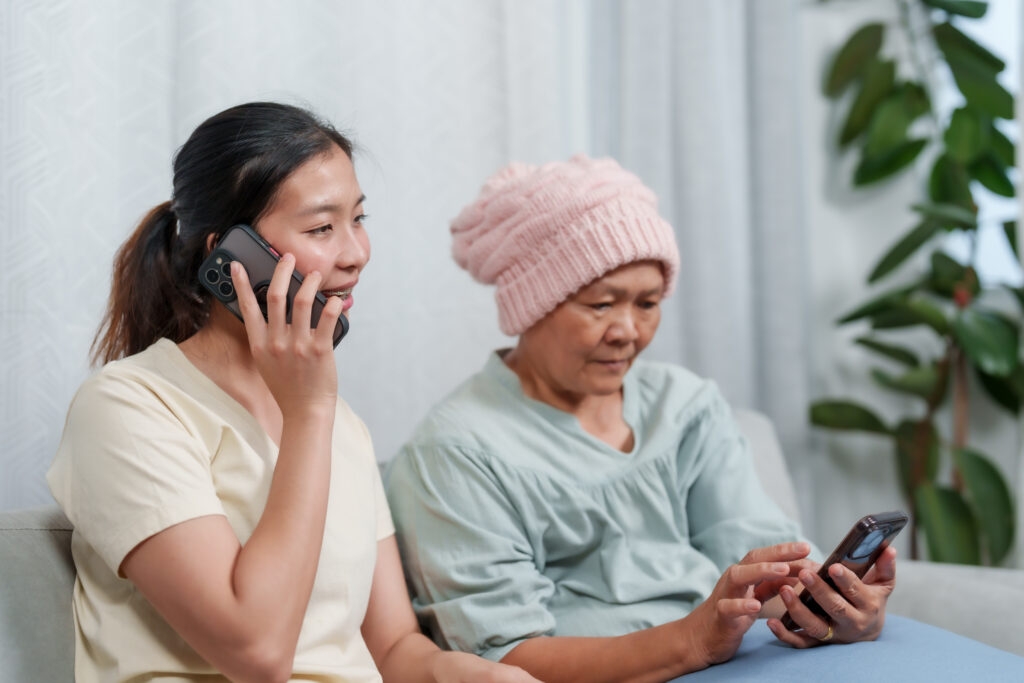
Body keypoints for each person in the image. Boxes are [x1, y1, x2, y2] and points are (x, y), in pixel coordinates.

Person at [46, 102, 538, 683]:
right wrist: (307, 415)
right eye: (322, 228)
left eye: (358, 219)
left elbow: (392, 647)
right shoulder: (128, 407)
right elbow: (255, 653)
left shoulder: (341, 424)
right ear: (229, 254)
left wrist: (473, 674)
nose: (356, 254)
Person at [385, 155, 897, 682]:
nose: (628, 332)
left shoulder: (684, 405)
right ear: (531, 306)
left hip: (746, 661)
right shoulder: (454, 453)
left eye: (648, 303)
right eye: (601, 305)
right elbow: (502, 657)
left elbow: (764, 569)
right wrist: (692, 642)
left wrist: (837, 611)